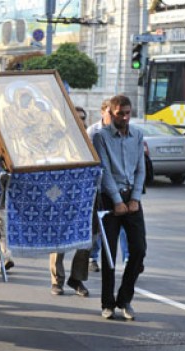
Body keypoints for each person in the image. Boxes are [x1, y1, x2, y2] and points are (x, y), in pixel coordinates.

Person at [93, 94, 146, 321]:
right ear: (111, 113)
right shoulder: (100, 136)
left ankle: (125, 299)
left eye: (127, 113)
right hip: (109, 200)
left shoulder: (137, 134)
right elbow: (103, 171)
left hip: (132, 199)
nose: (125, 117)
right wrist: (117, 201)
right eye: (120, 114)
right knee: (109, 255)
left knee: (139, 250)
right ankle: (108, 303)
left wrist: (134, 198)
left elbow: (141, 169)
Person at [48, 105, 91, 297]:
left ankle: (77, 279)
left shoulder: (90, 141)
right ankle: (57, 281)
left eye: (83, 118)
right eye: (76, 117)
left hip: (83, 196)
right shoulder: (56, 141)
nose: (80, 121)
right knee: (59, 240)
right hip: (59, 195)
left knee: (85, 240)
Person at [87, 99, 130, 273]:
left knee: (124, 225)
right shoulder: (94, 132)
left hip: (119, 185)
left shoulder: (123, 132)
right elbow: (98, 164)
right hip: (99, 187)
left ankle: (128, 257)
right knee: (100, 226)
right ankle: (93, 257)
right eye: (109, 112)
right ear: (104, 112)